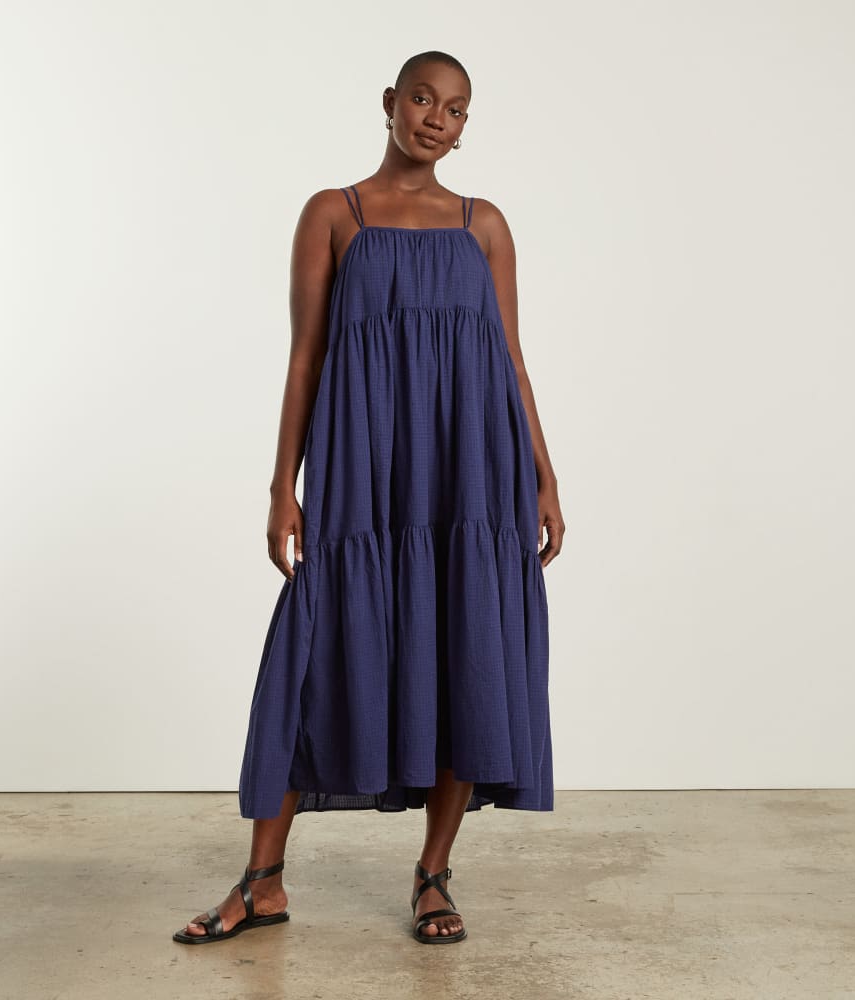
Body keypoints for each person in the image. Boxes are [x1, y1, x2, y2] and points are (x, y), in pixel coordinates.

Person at [174, 50, 564, 947]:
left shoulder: (483, 225)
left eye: (456, 109)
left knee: (466, 649)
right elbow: (304, 358)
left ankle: (433, 876)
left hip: (473, 475)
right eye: (423, 99)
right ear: (390, 103)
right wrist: (283, 487)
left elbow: (510, 357)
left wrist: (543, 473)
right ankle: (262, 881)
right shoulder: (333, 214)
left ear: (465, 127)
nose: (436, 119)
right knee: (311, 653)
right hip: (364, 472)